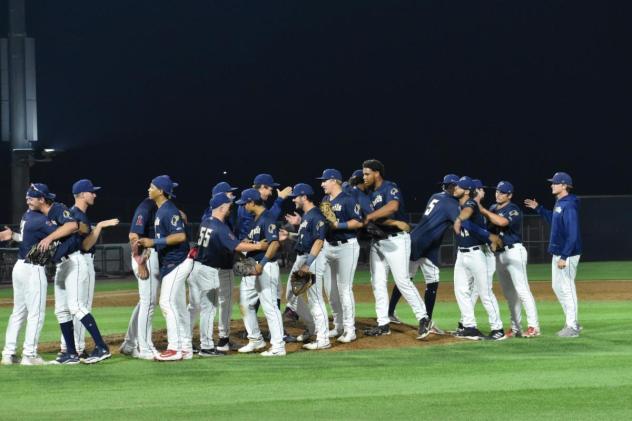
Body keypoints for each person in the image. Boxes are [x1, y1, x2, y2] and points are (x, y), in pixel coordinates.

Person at [187, 193, 270, 356]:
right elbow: (238, 246)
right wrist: (259, 246)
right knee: (209, 309)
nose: (230, 208)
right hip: (209, 269)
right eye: (229, 206)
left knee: (204, 308)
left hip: (198, 267)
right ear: (222, 207)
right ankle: (207, 347)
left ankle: (202, 344)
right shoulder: (219, 227)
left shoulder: (206, 222)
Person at [361, 159, 431, 339]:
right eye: (363, 174)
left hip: (396, 241)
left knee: (402, 280)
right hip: (378, 242)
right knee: (377, 282)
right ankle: (383, 323)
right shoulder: (367, 193)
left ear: (377, 173)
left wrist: (370, 217)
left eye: (367, 173)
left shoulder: (389, 187)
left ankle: (424, 318)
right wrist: (385, 220)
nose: (364, 177)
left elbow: (393, 206)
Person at [1, 184, 65, 365]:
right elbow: (63, 233)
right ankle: (29, 354)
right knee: (36, 313)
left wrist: (11, 235)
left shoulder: (26, 215)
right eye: (45, 198)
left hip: (20, 266)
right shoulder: (40, 220)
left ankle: (8, 353)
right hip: (33, 268)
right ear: (40, 199)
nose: (47, 201)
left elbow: (24, 238)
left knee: (18, 313)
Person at [388, 174, 461, 333]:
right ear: (453, 187)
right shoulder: (451, 204)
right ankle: (425, 320)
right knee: (424, 281)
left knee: (407, 279)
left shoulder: (435, 196)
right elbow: (460, 225)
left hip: (416, 240)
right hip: (426, 245)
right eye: (457, 186)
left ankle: (390, 313)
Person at [136, 175, 193, 361]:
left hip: (178, 261)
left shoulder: (168, 210)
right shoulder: (163, 209)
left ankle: (174, 348)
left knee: (166, 303)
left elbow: (180, 236)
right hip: (172, 261)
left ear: (161, 191)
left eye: (151, 187)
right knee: (175, 304)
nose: (148, 189)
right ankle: (185, 348)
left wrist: (153, 241)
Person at [65, 179, 119, 358]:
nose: (94, 195)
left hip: (76, 262)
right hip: (82, 261)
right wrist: (100, 227)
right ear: (81, 195)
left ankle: (72, 347)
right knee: (82, 306)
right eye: (91, 192)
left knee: (75, 307)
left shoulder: (76, 214)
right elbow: (86, 246)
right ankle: (79, 348)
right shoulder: (78, 215)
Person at [479, 181, 540, 338]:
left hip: (514, 251)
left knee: (522, 290)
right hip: (499, 254)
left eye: (503, 192)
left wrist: (483, 210)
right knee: (509, 294)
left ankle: (534, 327)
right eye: (497, 191)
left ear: (510, 195)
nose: (498, 194)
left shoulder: (513, 209)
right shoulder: (492, 208)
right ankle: (515, 328)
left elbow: (502, 222)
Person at [525, 171, 582, 337]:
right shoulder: (560, 202)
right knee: (557, 287)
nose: (551, 185)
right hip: (559, 252)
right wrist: (539, 209)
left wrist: (565, 256)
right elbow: (553, 219)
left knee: (567, 288)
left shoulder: (569, 204)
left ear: (564, 185)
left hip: (568, 254)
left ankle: (572, 326)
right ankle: (572, 321)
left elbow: (573, 233)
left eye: (555, 183)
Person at [452, 177, 505, 340]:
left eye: (458, 187)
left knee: (485, 292)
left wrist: (460, 219)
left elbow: (467, 213)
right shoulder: (456, 205)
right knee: (461, 291)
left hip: (476, 254)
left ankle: (498, 329)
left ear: (467, 191)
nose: (455, 188)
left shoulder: (471, 204)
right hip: (461, 254)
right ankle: (469, 326)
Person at [235, 188, 286, 356]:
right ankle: (256, 340)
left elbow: (274, 243)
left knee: (270, 307)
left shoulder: (267, 218)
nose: (243, 207)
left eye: (244, 204)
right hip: (251, 264)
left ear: (251, 202)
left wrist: (262, 264)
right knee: (244, 304)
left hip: (265, 266)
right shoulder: (255, 220)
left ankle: (278, 346)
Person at [318, 169, 364, 343]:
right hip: (329, 247)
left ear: (334, 181)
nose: (322, 183)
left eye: (324, 181)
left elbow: (358, 221)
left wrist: (338, 225)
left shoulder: (348, 199)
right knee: (331, 291)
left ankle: (350, 329)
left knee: (345, 289)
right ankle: (338, 326)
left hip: (347, 247)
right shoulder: (324, 200)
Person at [283, 183, 330, 349]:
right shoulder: (307, 216)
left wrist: (308, 265)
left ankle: (323, 339)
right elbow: (306, 239)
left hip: (312, 259)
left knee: (315, 298)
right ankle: (312, 328)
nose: (294, 199)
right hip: (302, 257)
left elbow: (319, 241)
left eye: (296, 196)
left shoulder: (316, 215)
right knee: (290, 294)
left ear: (304, 197)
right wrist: (290, 234)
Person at [195, 181, 240, 352]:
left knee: (203, 305)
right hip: (218, 266)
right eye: (229, 194)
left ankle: (190, 340)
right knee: (217, 304)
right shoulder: (220, 219)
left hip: (203, 265)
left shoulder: (208, 217)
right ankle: (221, 340)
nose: (232, 197)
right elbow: (232, 243)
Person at [120, 196, 161, 359]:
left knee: (145, 301)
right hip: (146, 256)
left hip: (150, 256)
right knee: (148, 303)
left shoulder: (158, 206)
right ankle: (144, 348)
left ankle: (130, 343)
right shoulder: (147, 205)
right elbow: (133, 235)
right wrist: (141, 261)